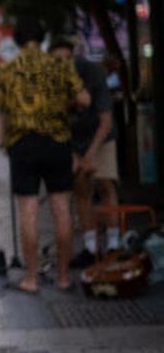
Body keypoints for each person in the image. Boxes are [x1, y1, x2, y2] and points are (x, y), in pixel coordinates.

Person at [0, 18, 90, 294]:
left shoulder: (6, 71)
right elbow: (84, 100)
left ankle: (31, 278)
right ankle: (64, 277)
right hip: (57, 143)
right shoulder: (59, 65)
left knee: (28, 213)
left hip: (23, 146)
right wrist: (62, 107)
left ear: (17, 41)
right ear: (41, 39)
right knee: (62, 210)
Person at [49, 37, 121, 267]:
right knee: (81, 188)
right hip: (74, 140)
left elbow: (106, 121)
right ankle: (91, 248)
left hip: (101, 136)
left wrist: (91, 154)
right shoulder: (50, 82)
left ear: (74, 57)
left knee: (104, 183)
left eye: (66, 60)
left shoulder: (93, 73)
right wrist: (73, 155)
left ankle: (114, 244)